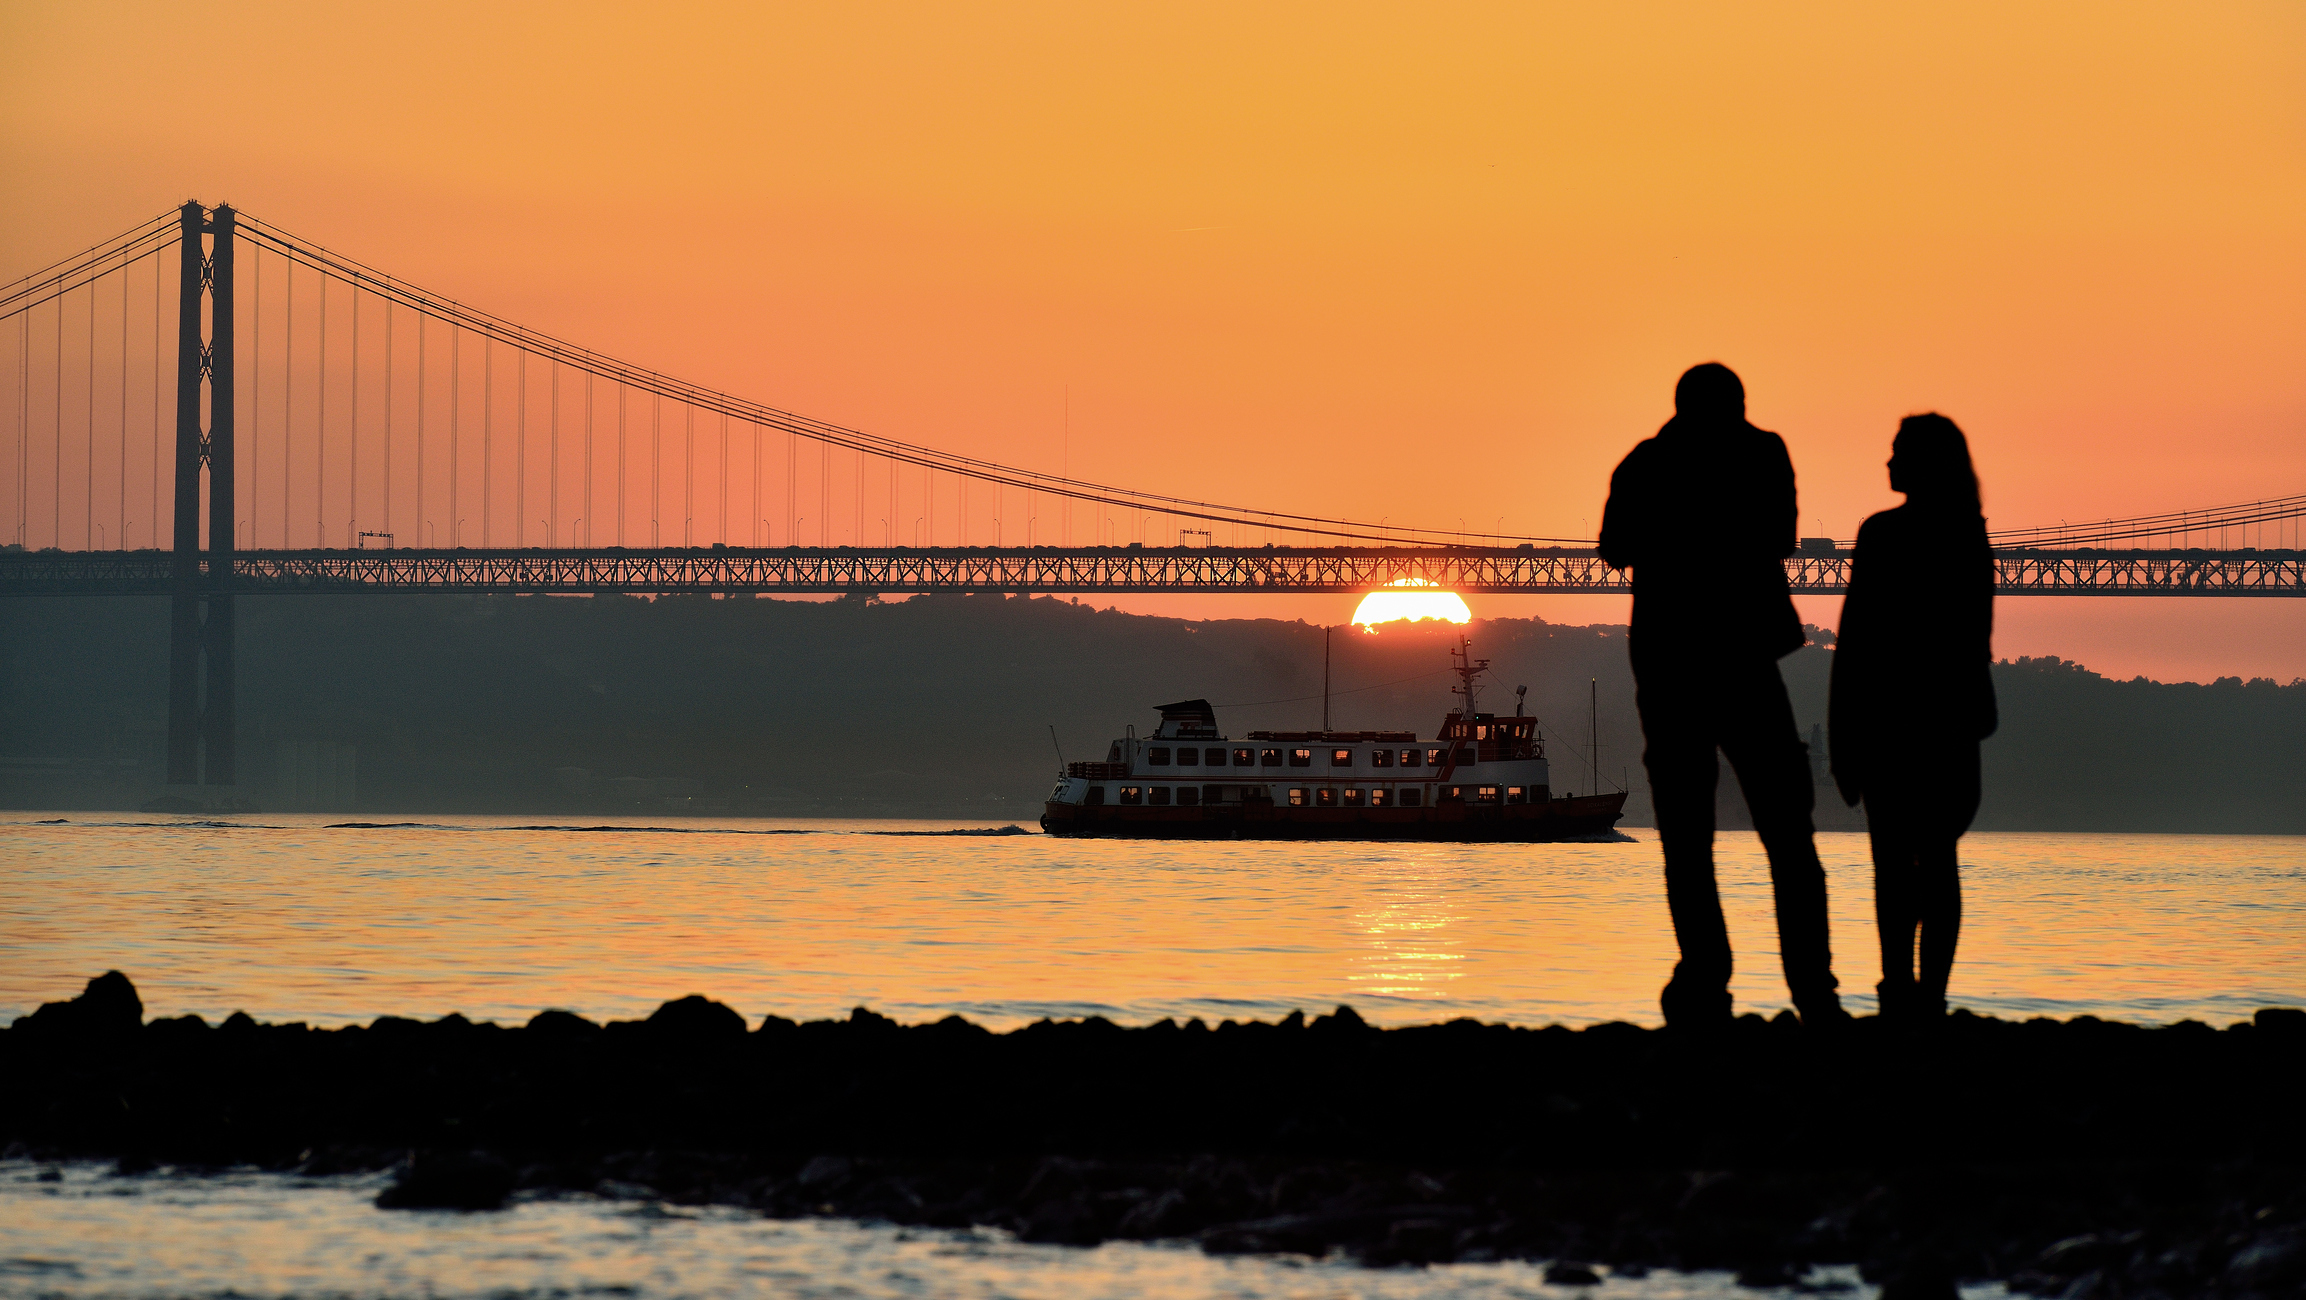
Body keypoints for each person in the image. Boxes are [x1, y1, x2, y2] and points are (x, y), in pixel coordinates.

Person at [1600, 363, 1847, 1029]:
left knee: (1686, 834)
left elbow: (1613, 549)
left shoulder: (1645, 462)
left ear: (1679, 406)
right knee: (1789, 830)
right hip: (1746, 657)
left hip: (1669, 661)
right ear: (1737, 404)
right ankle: (1815, 992)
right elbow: (1780, 537)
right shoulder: (1764, 451)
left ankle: (1705, 982)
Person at [1829, 414, 1995, 1022]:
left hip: (1886, 729)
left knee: (1892, 868)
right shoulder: (1970, 539)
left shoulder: (1880, 535)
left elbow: (1854, 647)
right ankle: (1931, 1000)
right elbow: (1975, 643)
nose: (1887, 461)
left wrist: (1842, 740)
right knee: (1939, 863)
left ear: (1923, 462)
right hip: (1950, 729)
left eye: (1896, 450)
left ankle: (1896, 993)